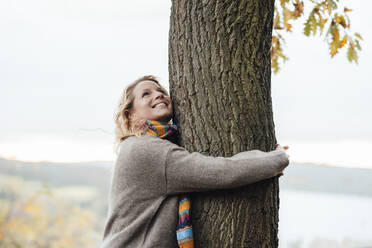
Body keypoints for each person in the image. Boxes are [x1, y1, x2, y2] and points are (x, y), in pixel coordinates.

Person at [100, 75, 290, 248]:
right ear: (130, 114)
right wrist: (276, 159)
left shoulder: (142, 146)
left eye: (161, 91)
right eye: (146, 94)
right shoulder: (144, 149)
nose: (158, 95)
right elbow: (219, 172)